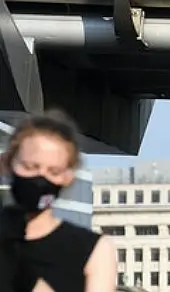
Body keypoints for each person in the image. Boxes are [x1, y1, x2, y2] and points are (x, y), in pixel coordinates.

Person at [0, 110, 116, 292]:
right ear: (7, 163)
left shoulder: (92, 250)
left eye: (53, 172)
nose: (40, 178)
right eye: (30, 167)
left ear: (67, 177)